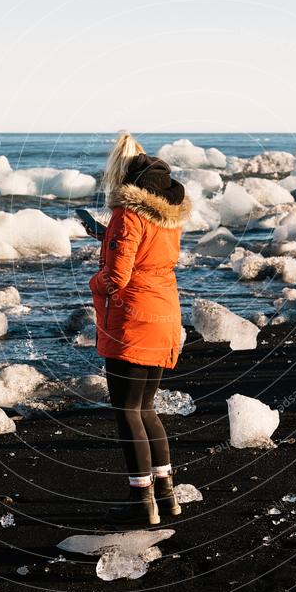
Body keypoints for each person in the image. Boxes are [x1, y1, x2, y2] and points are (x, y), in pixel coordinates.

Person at [88, 133, 191, 526]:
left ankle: (140, 502)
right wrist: (104, 236)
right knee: (145, 407)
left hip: (133, 320)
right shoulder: (166, 213)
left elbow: (117, 276)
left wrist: (93, 284)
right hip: (164, 313)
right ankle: (165, 498)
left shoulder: (128, 214)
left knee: (127, 410)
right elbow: (150, 251)